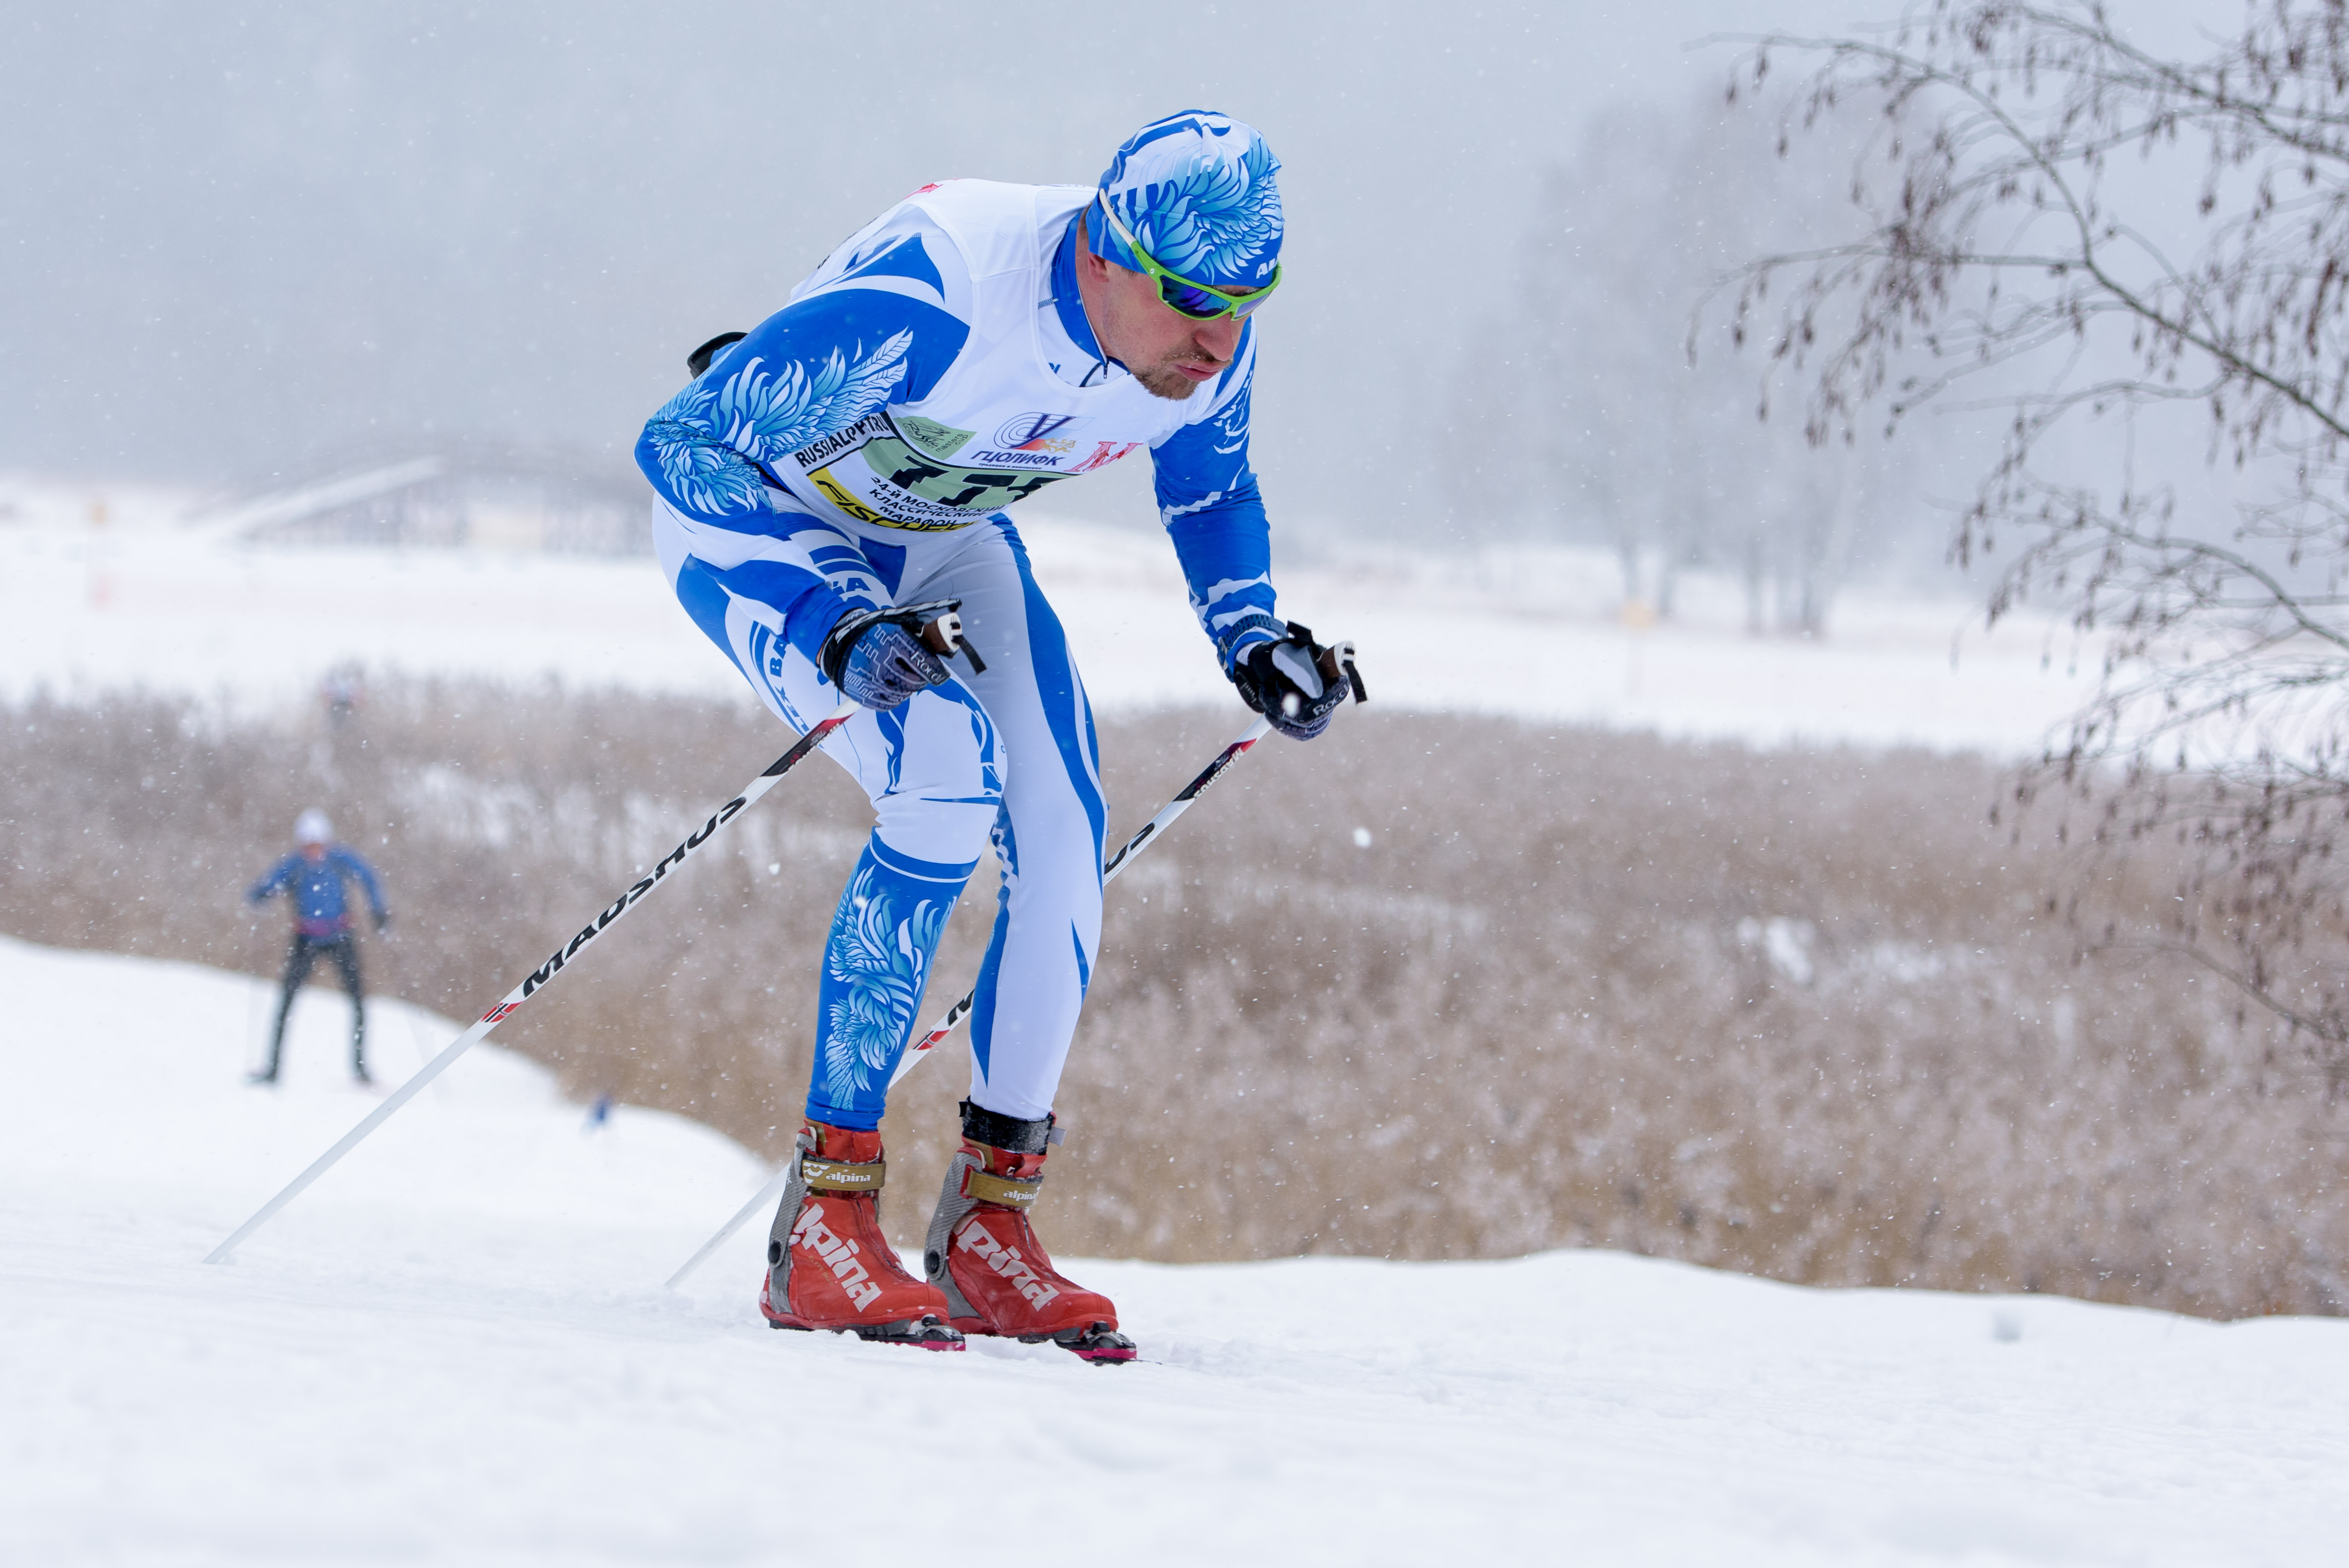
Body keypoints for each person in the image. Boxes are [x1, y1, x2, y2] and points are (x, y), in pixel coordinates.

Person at [635, 111, 1351, 1360]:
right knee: (943, 774)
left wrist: (1249, 633)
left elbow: (1208, 485)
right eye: (1192, 301)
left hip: (934, 536)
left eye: (1247, 302)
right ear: (1104, 255)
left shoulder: (1205, 339)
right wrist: (832, 622)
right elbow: (681, 445)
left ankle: (986, 1233)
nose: (1219, 338)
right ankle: (824, 1226)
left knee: (1067, 834)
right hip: (770, 530)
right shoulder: (952, 293)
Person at [245, 809, 390, 1086]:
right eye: (309, 845)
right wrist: (260, 896)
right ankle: (273, 1069)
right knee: (286, 1003)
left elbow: (368, 877)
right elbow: (269, 884)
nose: (314, 850)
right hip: (305, 940)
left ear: (326, 842)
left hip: (341, 938)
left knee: (358, 1003)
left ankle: (360, 1069)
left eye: (318, 844)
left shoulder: (339, 860)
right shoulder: (295, 865)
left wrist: (379, 910)